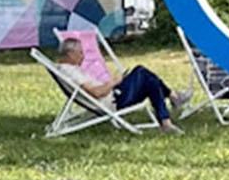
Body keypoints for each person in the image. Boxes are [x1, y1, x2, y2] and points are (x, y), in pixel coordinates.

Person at [52, 37, 193, 133]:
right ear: (70, 54)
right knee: (141, 72)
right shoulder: (70, 71)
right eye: (80, 53)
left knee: (150, 82)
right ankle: (173, 101)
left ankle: (166, 120)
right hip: (113, 100)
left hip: (113, 95)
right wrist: (115, 81)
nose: (83, 56)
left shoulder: (65, 68)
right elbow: (96, 93)